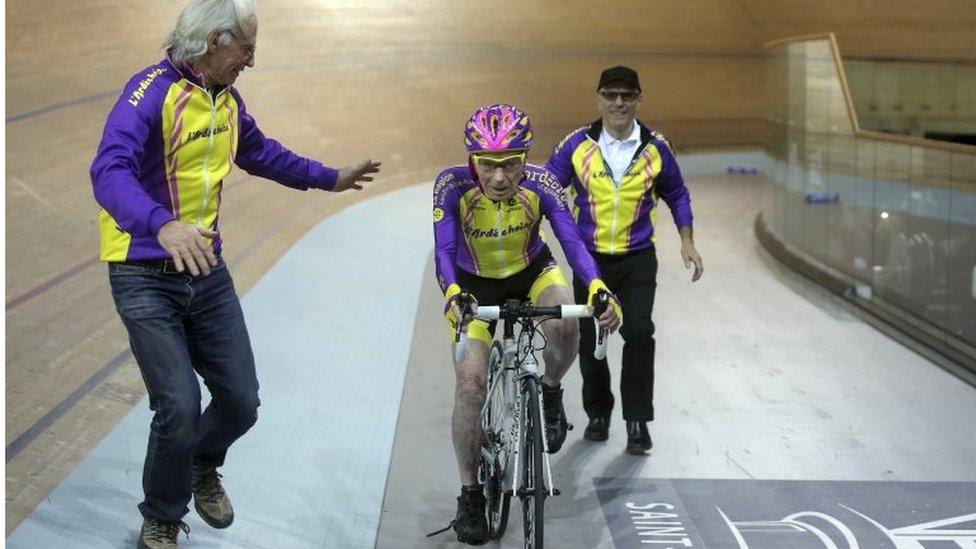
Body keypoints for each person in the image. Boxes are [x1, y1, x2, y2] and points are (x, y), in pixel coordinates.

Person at [89, 1, 380, 547]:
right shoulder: (149, 92)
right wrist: (161, 224)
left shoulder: (224, 97)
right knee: (178, 404)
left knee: (241, 401)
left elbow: (260, 152)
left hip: (205, 269)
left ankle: (200, 461)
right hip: (144, 273)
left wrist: (328, 178)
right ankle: (162, 513)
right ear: (215, 40)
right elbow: (108, 171)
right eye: (247, 47)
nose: (252, 58)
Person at [432, 104, 620, 544]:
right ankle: (470, 494)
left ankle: (551, 391)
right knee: (469, 387)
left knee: (568, 323)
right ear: (471, 160)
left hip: (532, 270)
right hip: (473, 286)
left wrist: (595, 285)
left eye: (511, 164)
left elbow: (571, 242)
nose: (500, 178)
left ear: (525, 159)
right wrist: (453, 294)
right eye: (489, 165)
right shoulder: (451, 187)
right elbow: (443, 251)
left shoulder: (542, 184)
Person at [546, 65, 703, 456]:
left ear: (638, 100)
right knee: (591, 338)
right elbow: (547, 185)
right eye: (611, 95)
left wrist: (687, 241)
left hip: (637, 260)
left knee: (638, 332)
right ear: (599, 98)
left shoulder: (656, 147)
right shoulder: (577, 144)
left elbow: (677, 194)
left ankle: (637, 420)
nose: (618, 103)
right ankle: (598, 414)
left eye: (627, 96)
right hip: (591, 260)